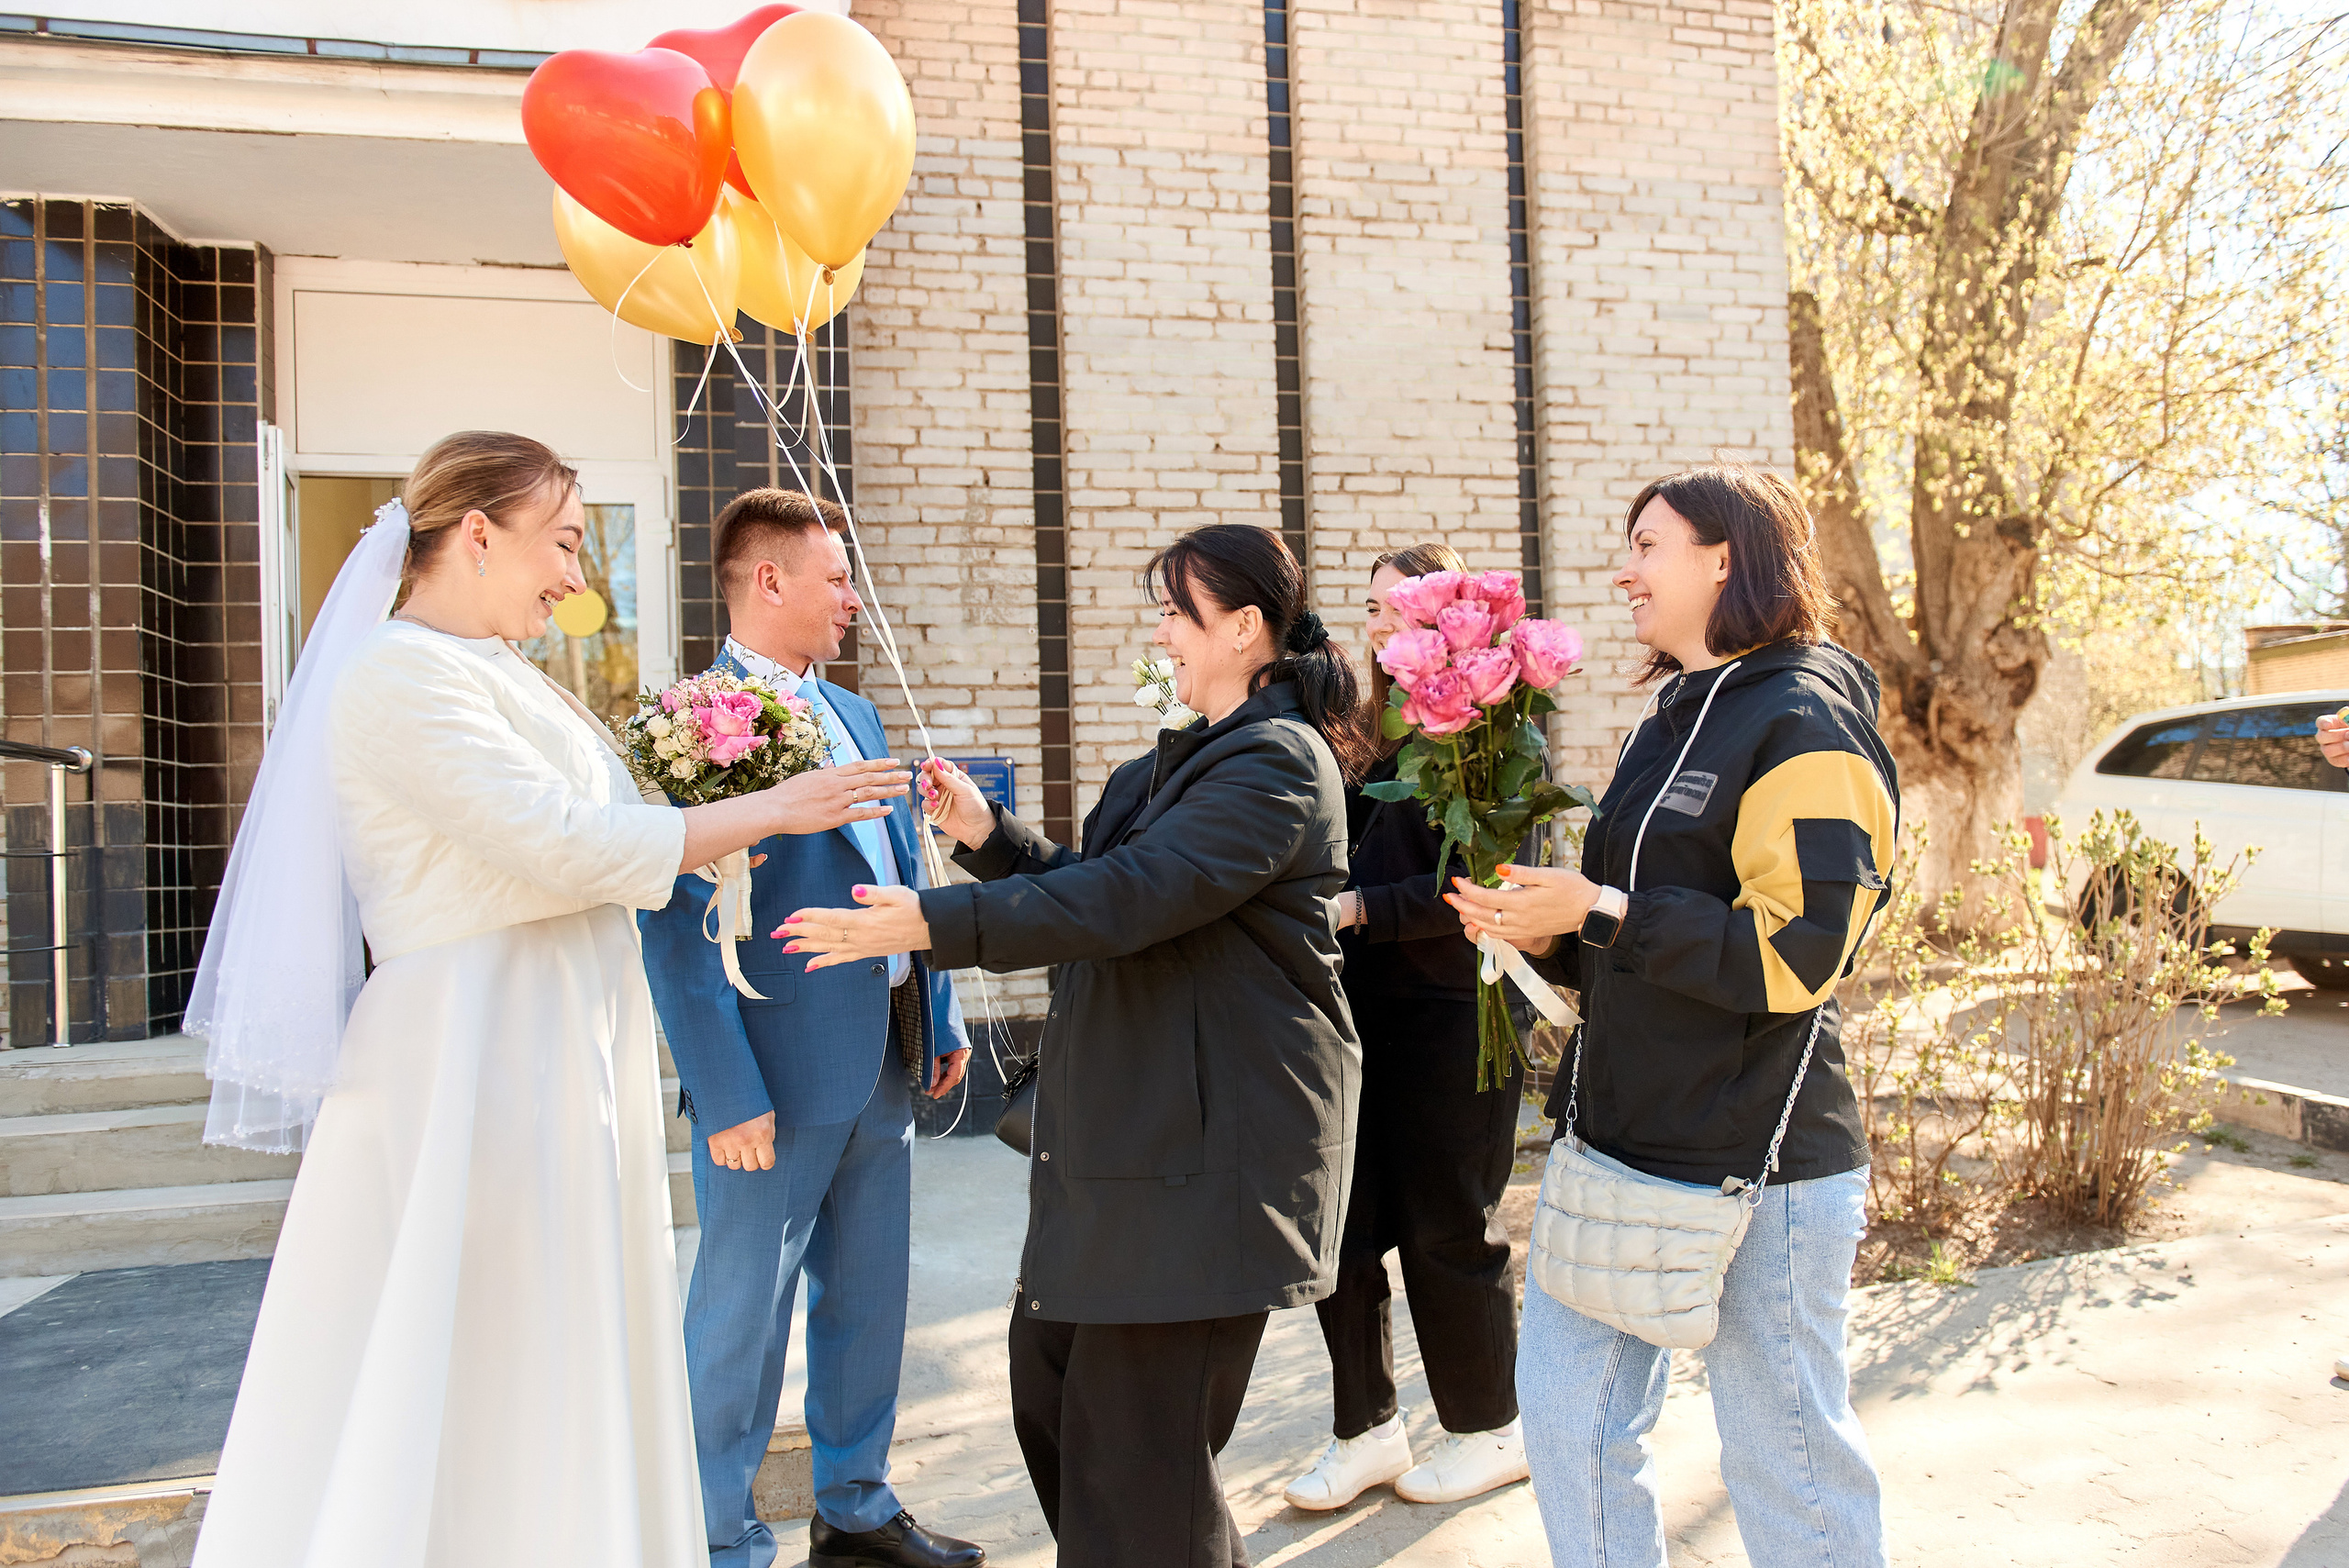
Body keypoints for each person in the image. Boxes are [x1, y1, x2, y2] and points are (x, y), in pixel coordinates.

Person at [187, 434, 911, 1568]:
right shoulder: (397, 676)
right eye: (565, 543)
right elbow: (576, 844)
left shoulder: (504, 672)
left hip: (557, 1039)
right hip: (473, 1042)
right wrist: (772, 809)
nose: (579, 579)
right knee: (468, 1328)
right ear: (478, 533)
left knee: (552, 1332)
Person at [779, 523, 1366, 1568]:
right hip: (1133, 1142)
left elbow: (1131, 897)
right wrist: (987, 838)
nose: (1159, 633)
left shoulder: (1276, 761)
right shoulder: (1187, 752)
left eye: (1175, 613)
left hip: (1209, 1158)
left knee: (1136, 1461)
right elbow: (1094, 881)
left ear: (1242, 628)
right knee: (1052, 1394)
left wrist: (927, 921)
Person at [1450, 464, 1896, 1568]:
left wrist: (1601, 912)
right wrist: (1544, 926)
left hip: (1765, 1164)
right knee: (1564, 1420)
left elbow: (1799, 952)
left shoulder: (1807, 718)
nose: (1624, 569)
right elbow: (1640, 919)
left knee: (1786, 1463)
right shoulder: (1670, 717)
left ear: (1724, 558)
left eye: (1647, 543)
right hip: (1624, 1144)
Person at [637, 489, 982, 1568]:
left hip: (882, 1045)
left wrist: (938, 1004)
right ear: (768, 580)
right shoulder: (689, 718)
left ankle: (857, 1503)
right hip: (770, 1073)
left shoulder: (857, 711)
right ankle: (719, 1535)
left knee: (870, 1290)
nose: (853, 599)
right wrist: (723, 1085)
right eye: (835, 578)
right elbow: (676, 926)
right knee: (742, 1314)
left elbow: (899, 870)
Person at [1282, 540, 1530, 1514]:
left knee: (1444, 1230)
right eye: (1373, 608)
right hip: (1353, 1012)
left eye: (1400, 609)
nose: (1379, 624)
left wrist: (1359, 910)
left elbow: (1481, 885)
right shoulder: (1361, 727)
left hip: (1451, 1011)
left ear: (1448, 623)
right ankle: (1367, 1429)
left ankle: (1490, 1427)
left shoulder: (1491, 732)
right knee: (1341, 1233)